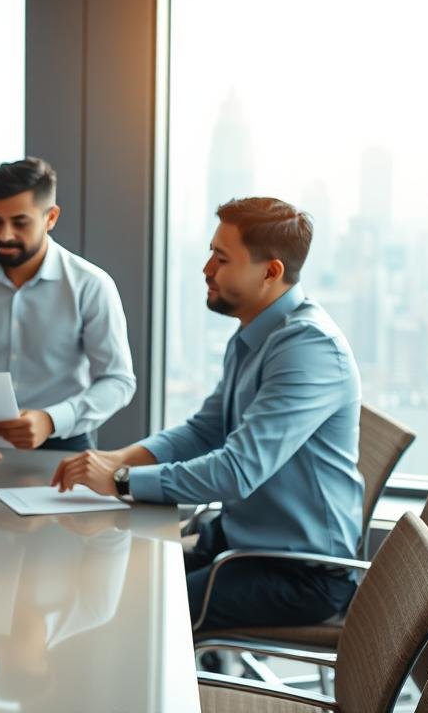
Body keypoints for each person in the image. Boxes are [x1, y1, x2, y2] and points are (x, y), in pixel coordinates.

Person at [51, 196, 363, 631]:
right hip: (240, 543)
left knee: (136, 615)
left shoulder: (307, 348)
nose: (206, 269)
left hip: (298, 574)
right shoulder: (256, 335)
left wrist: (121, 482)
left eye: (221, 258)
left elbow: (237, 472)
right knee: (103, 577)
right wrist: (120, 460)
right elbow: (206, 430)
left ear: (270, 271)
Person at [0, 157, 136, 464]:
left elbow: (118, 381)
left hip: (63, 448)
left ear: (51, 217)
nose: (4, 235)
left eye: (19, 222)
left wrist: (50, 420)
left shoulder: (90, 285)